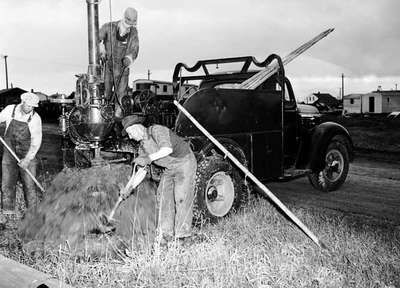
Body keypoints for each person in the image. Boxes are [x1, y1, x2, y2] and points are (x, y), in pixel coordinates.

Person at [122, 114, 197, 245]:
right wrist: (130, 188)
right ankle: (165, 234)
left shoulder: (157, 131)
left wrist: (149, 158)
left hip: (185, 162)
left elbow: (167, 149)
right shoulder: (142, 147)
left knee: (181, 197)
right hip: (170, 168)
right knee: (162, 197)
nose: (130, 137)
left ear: (137, 128)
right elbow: (142, 171)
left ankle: (183, 237)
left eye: (130, 133)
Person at [0, 92, 42, 220]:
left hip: (27, 151)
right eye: (28, 106)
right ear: (22, 102)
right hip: (9, 150)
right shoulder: (9, 110)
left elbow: (36, 143)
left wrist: (27, 159)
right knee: (7, 182)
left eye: (32, 107)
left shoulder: (35, 119)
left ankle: (32, 215)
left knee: (29, 184)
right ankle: (8, 212)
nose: (30, 108)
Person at [99, 7, 139, 118]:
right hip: (108, 67)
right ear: (124, 18)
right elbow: (97, 38)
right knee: (105, 94)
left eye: (132, 24)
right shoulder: (109, 27)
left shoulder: (134, 32)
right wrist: (102, 50)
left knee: (121, 96)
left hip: (123, 69)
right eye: (128, 22)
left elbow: (134, 48)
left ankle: (118, 120)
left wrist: (129, 58)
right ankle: (103, 116)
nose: (130, 26)